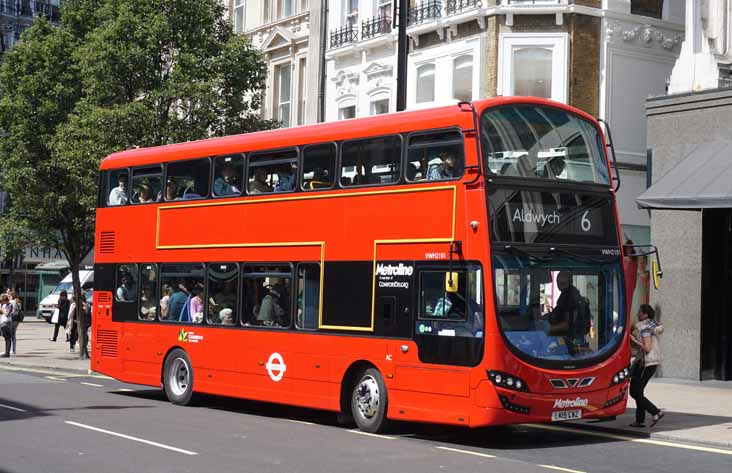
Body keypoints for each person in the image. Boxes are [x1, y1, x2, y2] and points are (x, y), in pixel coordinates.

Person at [629, 304, 665, 428]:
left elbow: (647, 348)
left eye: (639, 312)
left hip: (648, 363)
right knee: (637, 391)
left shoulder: (644, 328)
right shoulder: (649, 325)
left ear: (645, 314)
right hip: (645, 362)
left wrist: (634, 341)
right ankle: (640, 420)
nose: (637, 314)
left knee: (635, 392)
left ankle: (656, 412)